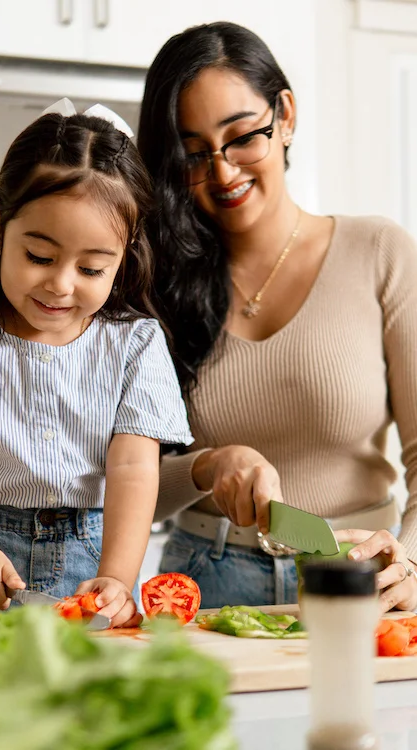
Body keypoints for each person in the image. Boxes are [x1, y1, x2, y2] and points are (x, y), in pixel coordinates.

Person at [0, 101, 192, 628]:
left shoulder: (136, 343)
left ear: (125, 253)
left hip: (92, 563)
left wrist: (117, 575)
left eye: (91, 267)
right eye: (40, 257)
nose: (61, 284)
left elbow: (135, 467)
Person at [137, 21, 417, 613]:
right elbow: (124, 482)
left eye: (241, 137)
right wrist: (208, 466)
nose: (223, 173)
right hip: (206, 582)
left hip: (361, 579)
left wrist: (411, 560)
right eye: (193, 155)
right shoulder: (153, 284)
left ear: (284, 115)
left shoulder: (381, 252)